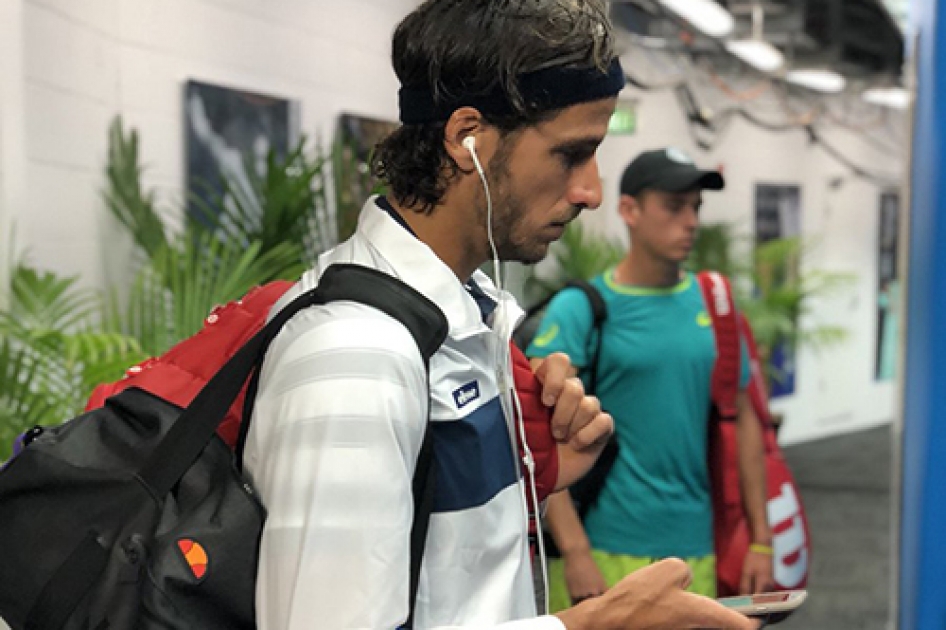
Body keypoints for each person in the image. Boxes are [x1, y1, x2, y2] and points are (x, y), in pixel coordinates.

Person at [243, 1, 762, 627]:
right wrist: (593, 623)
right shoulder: (355, 357)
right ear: (469, 140)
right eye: (572, 154)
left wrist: (536, 469)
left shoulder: (465, 315)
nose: (590, 192)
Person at [527, 148, 776, 611]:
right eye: (674, 206)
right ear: (630, 210)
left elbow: (743, 424)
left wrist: (760, 539)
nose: (691, 222)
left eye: (696, 208)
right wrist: (576, 550)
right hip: (603, 551)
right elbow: (538, 435)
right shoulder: (581, 309)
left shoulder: (715, 305)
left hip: (695, 549)